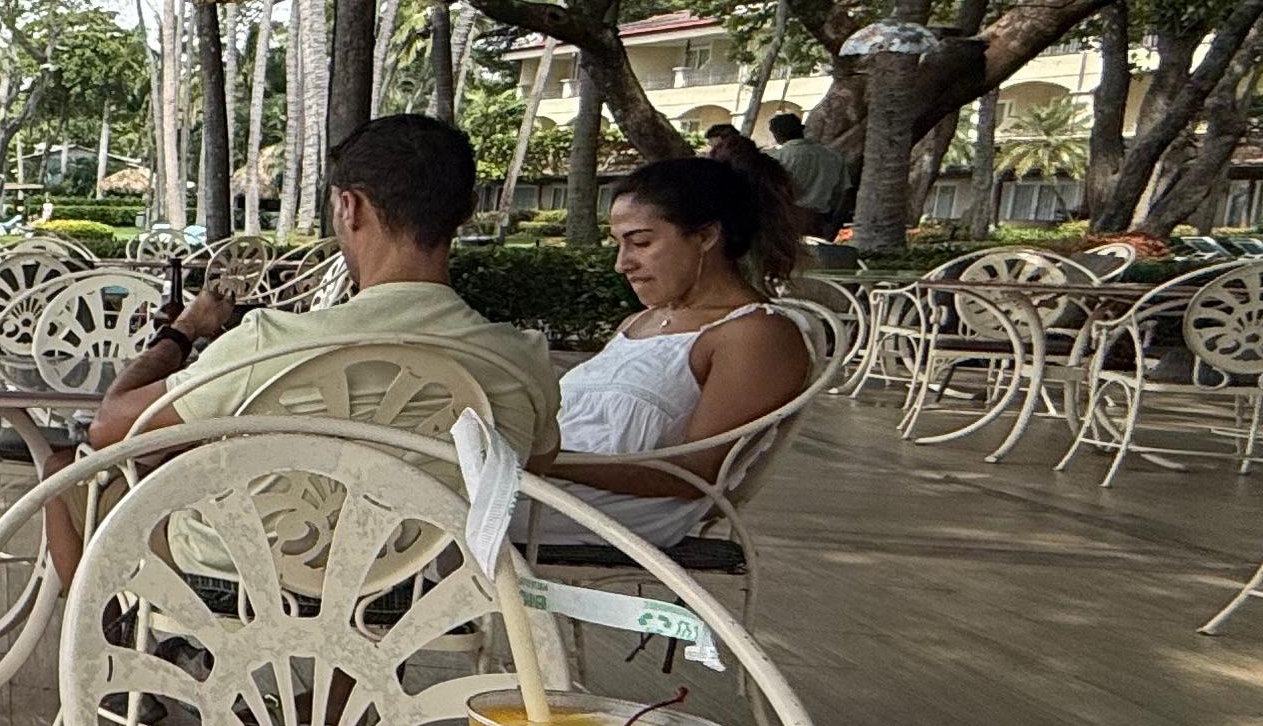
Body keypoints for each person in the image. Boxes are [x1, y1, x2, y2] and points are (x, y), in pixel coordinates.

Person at [88, 111, 563, 458]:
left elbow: (109, 428)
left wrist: (184, 329)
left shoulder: (270, 346)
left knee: (74, 481)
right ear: (467, 210)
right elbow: (533, 469)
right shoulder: (520, 361)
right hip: (440, 569)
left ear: (349, 207)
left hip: (241, 567)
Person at [537, 154, 816, 546]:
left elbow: (692, 475)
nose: (622, 264)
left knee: (451, 507)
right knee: (444, 481)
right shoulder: (638, 323)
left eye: (641, 242)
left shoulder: (755, 334)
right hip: (549, 486)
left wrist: (546, 460)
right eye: (618, 244)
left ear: (705, 237)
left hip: (615, 512)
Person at [768, 109, 854, 241]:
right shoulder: (833, 157)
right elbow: (846, 194)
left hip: (787, 219)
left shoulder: (777, 158)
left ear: (777, 134)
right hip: (819, 221)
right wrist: (834, 223)